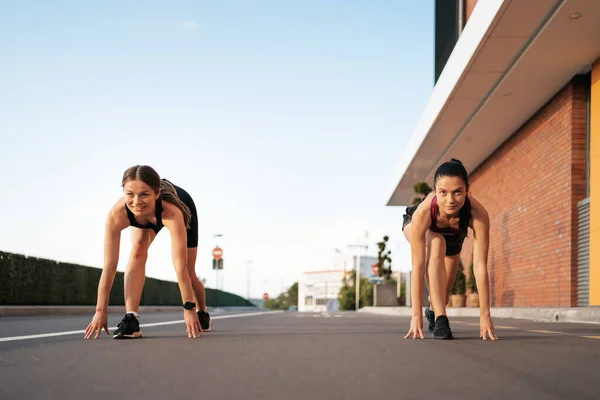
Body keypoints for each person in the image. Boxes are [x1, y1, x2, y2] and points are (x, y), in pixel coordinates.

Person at [84, 165, 211, 339]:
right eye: (130, 194)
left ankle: (202, 311)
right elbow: (110, 266)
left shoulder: (172, 212)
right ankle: (131, 319)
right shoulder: (117, 214)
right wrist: (100, 310)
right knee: (137, 250)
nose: (136, 201)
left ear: (156, 193)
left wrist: (189, 308)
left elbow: (179, 265)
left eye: (144, 194)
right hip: (145, 216)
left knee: (188, 269)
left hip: (182, 205)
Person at [402, 159, 498, 340]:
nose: (450, 200)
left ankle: (432, 310)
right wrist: (415, 316)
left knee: (443, 294)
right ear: (435, 191)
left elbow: (479, 266)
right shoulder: (424, 212)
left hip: (454, 237)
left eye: (457, 192)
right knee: (437, 242)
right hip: (421, 228)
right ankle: (441, 318)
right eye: (443, 193)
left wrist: (485, 315)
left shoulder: (477, 214)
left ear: (467, 190)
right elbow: (418, 265)